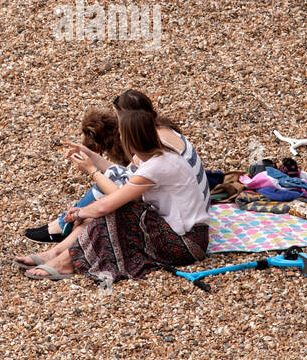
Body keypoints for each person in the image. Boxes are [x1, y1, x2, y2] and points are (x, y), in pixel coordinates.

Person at [18, 90, 210, 281]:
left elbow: (108, 204)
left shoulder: (157, 165)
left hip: (187, 244)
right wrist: (89, 157)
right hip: (181, 233)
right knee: (111, 208)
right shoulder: (155, 155)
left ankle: (65, 261)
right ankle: (57, 252)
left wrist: (81, 207)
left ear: (129, 138)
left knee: (112, 211)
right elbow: (125, 187)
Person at [23, 108, 132, 243]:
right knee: (111, 174)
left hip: (129, 206)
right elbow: (122, 170)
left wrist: (93, 170)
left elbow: (121, 191)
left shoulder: (131, 151)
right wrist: (88, 153)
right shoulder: (142, 152)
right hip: (126, 195)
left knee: (109, 177)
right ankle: (61, 223)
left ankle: (62, 225)